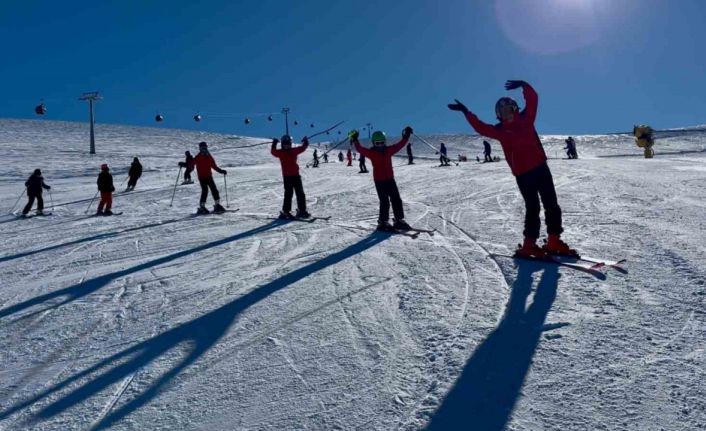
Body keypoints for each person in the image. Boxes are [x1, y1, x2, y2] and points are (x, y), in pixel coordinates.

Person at [448, 80, 576, 257]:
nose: (505, 114)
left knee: (551, 205)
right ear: (498, 115)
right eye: (502, 112)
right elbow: (480, 127)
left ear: (515, 109)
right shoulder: (499, 130)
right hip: (523, 175)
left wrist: (524, 85)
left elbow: (533, 99)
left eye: (508, 109)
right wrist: (466, 111)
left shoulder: (526, 119)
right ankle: (529, 245)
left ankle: (553, 240)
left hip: (540, 168)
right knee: (533, 208)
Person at [351, 127, 413, 231]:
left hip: (390, 179)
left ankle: (399, 220)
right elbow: (360, 149)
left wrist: (406, 135)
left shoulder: (389, 150)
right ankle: (383, 222)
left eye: (382, 143)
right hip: (379, 181)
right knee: (384, 201)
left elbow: (400, 145)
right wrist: (355, 139)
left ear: (385, 142)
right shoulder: (371, 153)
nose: (380, 145)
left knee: (396, 199)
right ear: (374, 143)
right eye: (377, 143)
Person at [271, 135, 310, 219]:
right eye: (285, 144)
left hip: (296, 176)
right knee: (288, 194)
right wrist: (274, 143)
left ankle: (302, 210)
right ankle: (286, 212)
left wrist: (305, 141)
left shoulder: (293, 150)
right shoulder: (280, 152)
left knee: (300, 193)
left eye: (288, 144)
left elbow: (303, 148)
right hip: (287, 177)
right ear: (282, 145)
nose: (287, 146)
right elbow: (273, 152)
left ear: (291, 144)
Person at [194, 141, 227, 214]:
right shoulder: (198, 157)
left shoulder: (209, 157)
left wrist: (221, 171)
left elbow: (214, 166)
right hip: (202, 177)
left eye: (205, 148)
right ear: (200, 149)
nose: (204, 149)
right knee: (205, 190)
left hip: (209, 176)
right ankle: (202, 207)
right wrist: (184, 164)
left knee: (214, 189)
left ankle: (217, 204)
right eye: (202, 148)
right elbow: (191, 164)